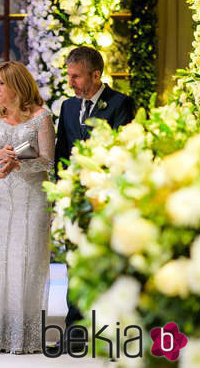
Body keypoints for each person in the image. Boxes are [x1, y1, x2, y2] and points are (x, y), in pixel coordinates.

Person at [53, 46, 135, 354]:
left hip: (108, 199)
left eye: (76, 76)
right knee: (75, 263)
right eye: (69, 75)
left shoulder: (120, 104)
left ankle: (111, 329)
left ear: (96, 75)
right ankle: (75, 330)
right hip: (75, 199)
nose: (70, 82)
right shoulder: (67, 107)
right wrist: (60, 194)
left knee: (109, 264)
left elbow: (124, 152)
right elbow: (62, 153)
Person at [0, 61, 55, 354]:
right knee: (1, 260)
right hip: (4, 196)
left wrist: (18, 162)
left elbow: (48, 161)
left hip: (33, 196)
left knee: (28, 260)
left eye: (1, 84)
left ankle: (25, 336)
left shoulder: (41, 117)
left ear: (17, 85)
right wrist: (0, 154)